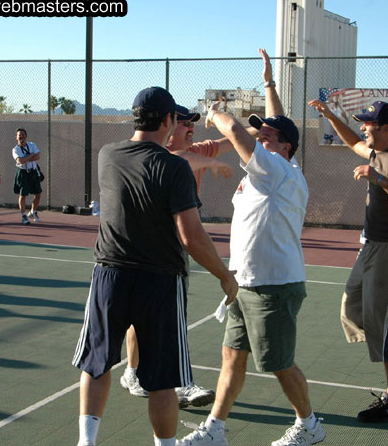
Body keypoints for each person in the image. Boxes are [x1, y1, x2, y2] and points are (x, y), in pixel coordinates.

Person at [71, 86, 238, 446]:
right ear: (167, 121)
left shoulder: (107, 155)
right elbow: (191, 236)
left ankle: (87, 442)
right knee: (163, 380)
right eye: (177, 119)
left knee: (96, 364)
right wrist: (225, 276)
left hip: (108, 275)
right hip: (160, 281)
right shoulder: (174, 167)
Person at [179, 50, 325, 446]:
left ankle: (309, 424)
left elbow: (242, 135)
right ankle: (215, 429)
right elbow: (275, 127)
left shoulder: (277, 170)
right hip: (244, 283)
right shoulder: (270, 170)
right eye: (260, 132)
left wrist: (216, 114)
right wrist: (269, 84)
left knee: (278, 363)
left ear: (286, 148)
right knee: (232, 356)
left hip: (273, 285)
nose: (261, 136)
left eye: (268, 136)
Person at [308, 99, 388, 423]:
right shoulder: (376, 152)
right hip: (370, 247)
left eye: (369, 123)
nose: (363, 127)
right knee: (352, 309)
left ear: (386, 129)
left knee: (383, 321)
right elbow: (353, 142)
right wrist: (331, 115)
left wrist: (380, 180)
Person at [120, 104, 234, 409]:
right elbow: (179, 159)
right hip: (155, 252)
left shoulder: (198, 150)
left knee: (146, 318)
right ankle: (179, 383)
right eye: (184, 122)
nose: (190, 126)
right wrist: (209, 166)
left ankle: (134, 372)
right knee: (165, 320)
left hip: (165, 253)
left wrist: (253, 128)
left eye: (192, 122)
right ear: (169, 126)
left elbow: (232, 140)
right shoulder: (161, 155)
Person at [12, 127, 42, 225]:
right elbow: (20, 161)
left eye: (23, 135)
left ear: (26, 136)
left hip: (33, 172)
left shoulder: (32, 145)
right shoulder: (16, 149)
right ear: (16, 137)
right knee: (23, 195)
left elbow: (38, 156)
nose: (22, 137)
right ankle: (23, 215)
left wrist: (26, 158)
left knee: (38, 194)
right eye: (19, 135)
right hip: (23, 172)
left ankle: (33, 211)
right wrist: (30, 156)